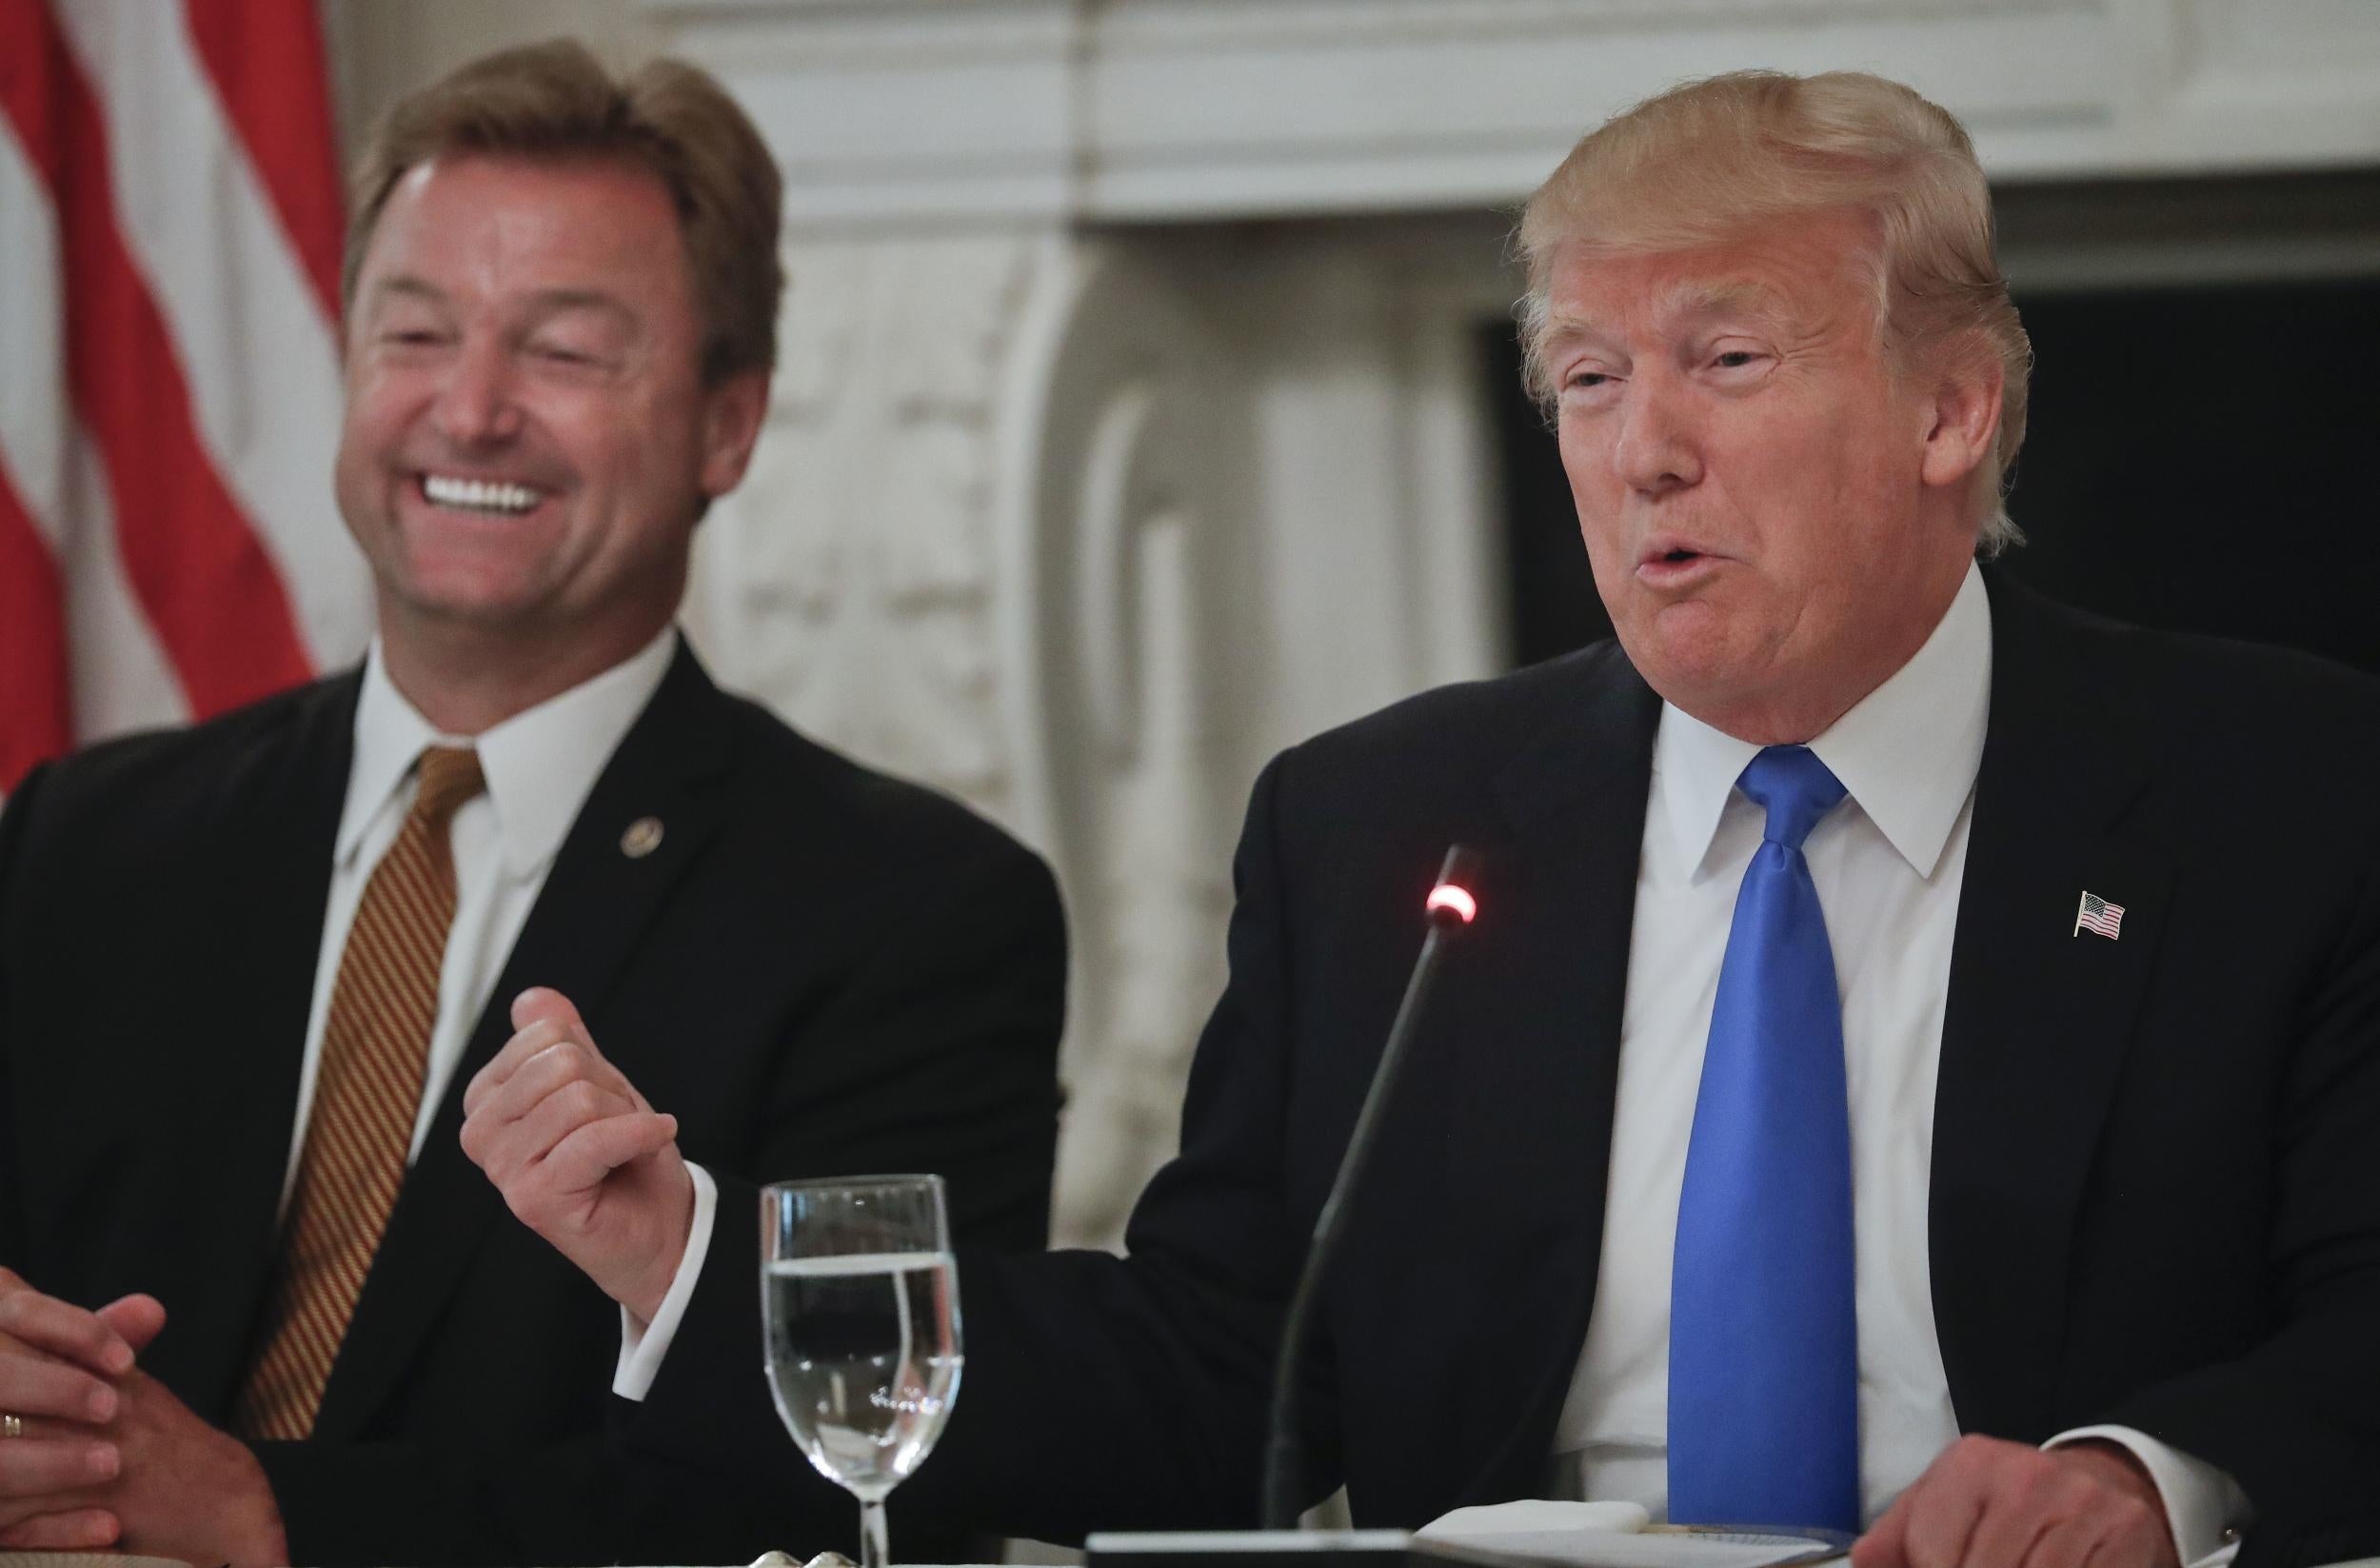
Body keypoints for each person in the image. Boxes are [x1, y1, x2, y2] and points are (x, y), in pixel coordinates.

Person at [473, 69, 2380, 1568]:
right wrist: (693, 1263)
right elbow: (1219, 1360)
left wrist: (2151, 1480)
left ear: (1948, 407)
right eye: (1583, 376)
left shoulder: (2274, 794)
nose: (1641, 448)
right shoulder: (1379, 820)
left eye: (1725, 358)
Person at [0, 39, 1065, 1568]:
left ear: (726, 424)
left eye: (564, 352)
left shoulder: (911, 914)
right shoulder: (82, 845)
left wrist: (259, 1514)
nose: (472, 410)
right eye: (415, 332)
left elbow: (860, 1494)